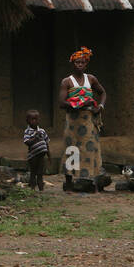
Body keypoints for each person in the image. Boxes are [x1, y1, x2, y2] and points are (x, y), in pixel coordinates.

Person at [60, 47, 105, 192]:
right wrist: (80, 104)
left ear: (86, 64)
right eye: (77, 62)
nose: (79, 64)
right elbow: (62, 103)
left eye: (82, 62)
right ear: (72, 64)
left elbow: (102, 92)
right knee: (72, 149)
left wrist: (101, 106)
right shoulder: (67, 81)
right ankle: (69, 182)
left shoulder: (91, 79)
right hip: (73, 122)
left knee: (90, 149)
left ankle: (92, 181)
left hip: (88, 121)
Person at [22, 109, 49, 192]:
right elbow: (27, 142)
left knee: (40, 173)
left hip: (42, 155)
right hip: (33, 156)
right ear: (27, 121)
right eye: (32, 119)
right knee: (33, 173)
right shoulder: (27, 131)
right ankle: (32, 189)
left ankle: (41, 189)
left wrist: (49, 155)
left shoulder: (42, 131)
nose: (34, 121)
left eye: (36, 119)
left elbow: (47, 143)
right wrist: (35, 138)